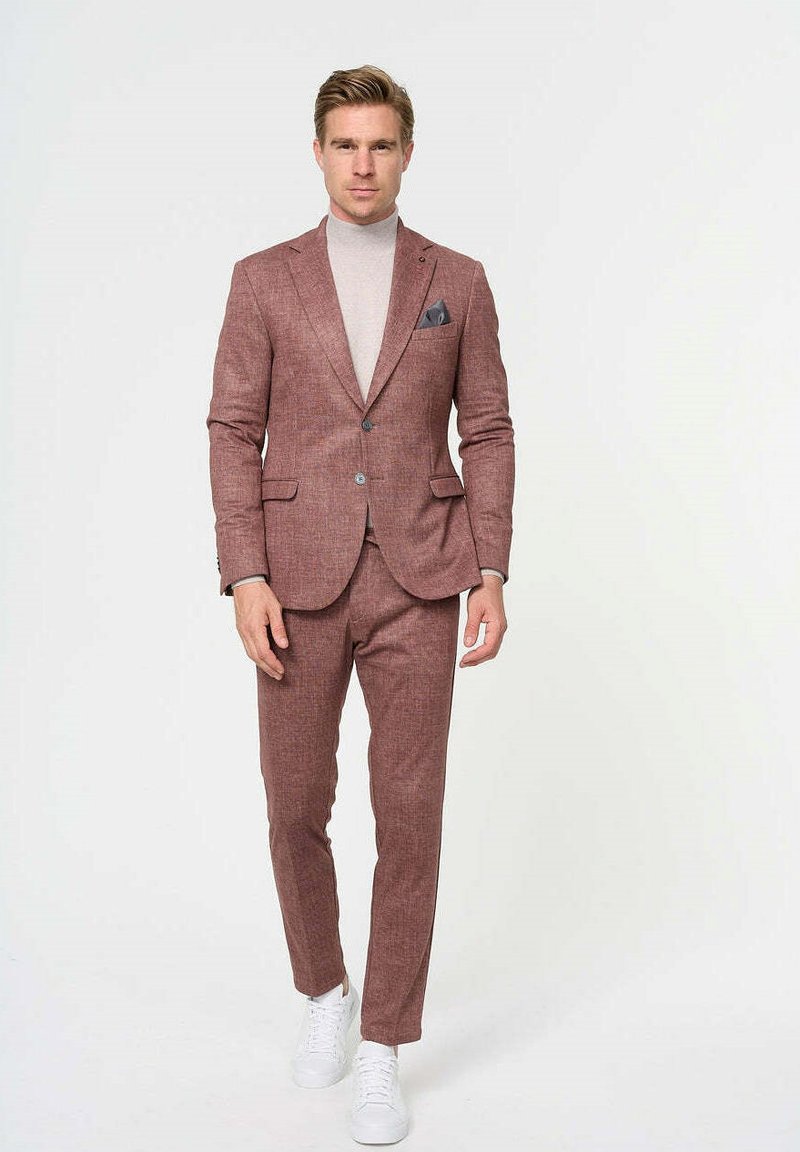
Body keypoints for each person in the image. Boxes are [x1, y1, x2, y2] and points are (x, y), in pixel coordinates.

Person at [206, 63, 515, 1145]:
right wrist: (244, 572)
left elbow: (487, 427)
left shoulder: (457, 280)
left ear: (407, 153)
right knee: (294, 805)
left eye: (381, 144)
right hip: (294, 577)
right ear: (318, 152)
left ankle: (382, 1041)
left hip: (421, 572)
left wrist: (490, 566)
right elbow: (230, 428)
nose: (363, 164)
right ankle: (323, 991)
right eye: (345, 144)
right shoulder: (263, 280)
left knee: (410, 816)